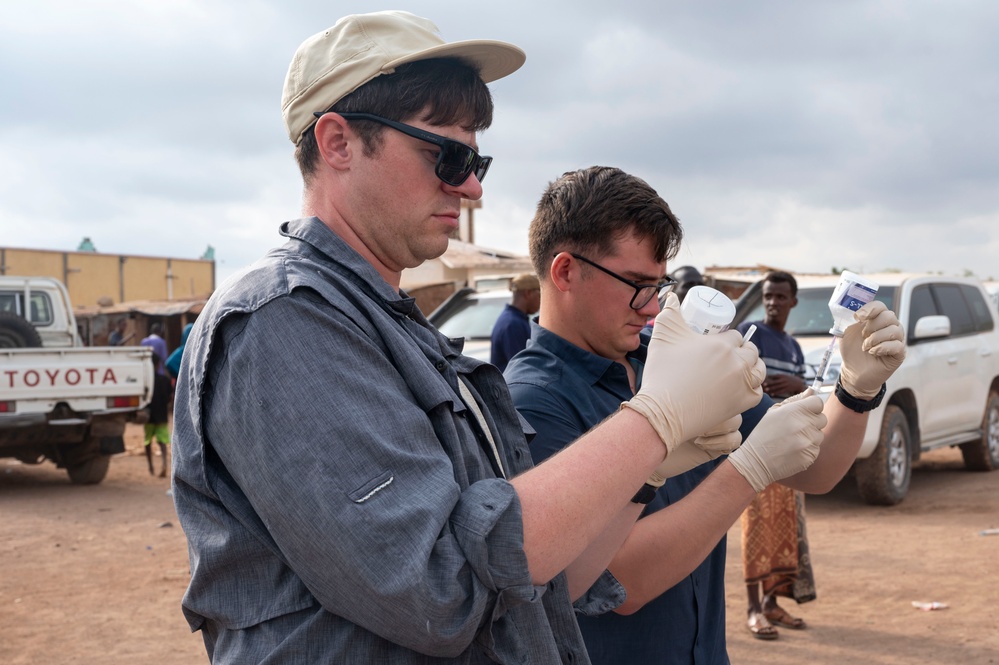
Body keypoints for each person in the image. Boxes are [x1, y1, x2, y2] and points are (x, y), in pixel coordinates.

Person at [170, 13, 769, 663]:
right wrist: (655, 422)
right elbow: (439, 584)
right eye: (447, 155)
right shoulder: (283, 324)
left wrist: (642, 474)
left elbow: (540, 578)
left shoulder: (389, 327)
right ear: (338, 142)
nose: (471, 185)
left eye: (475, 157)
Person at [503, 166, 906, 664]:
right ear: (565, 272)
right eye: (635, 284)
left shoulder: (669, 361)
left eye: (658, 285)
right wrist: (747, 470)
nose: (652, 308)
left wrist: (856, 389)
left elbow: (816, 467)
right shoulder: (532, 401)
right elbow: (620, 582)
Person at [735, 271, 813, 640]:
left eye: (781, 297)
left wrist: (800, 387)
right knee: (755, 527)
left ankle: (771, 603)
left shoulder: (794, 347)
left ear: (792, 302)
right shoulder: (752, 333)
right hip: (754, 446)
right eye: (768, 296)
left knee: (783, 528)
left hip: (787, 450)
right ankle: (752, 608)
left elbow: (805, 395)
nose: (773, 302)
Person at [489, 272, 541, 371]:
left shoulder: (513, 319)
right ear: (528, 293)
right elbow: (522, 367)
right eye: (539, 296)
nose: (540, 301)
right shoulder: (512, 324)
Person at [143, 352, 173, 478]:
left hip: (149, 416)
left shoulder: (144, 381)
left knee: (148, 441)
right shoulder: (165, 380)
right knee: (163, 441)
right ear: (158, 365)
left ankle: (150, 467)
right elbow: (169, 397)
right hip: (162, 415)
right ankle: (164, 463)